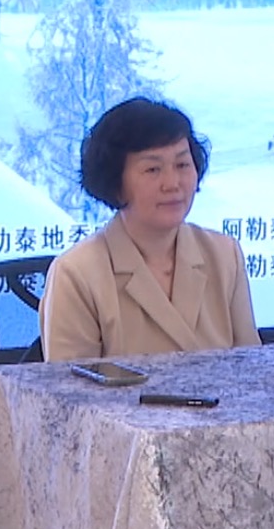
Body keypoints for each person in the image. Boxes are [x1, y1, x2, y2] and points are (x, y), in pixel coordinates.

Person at [40, 97, 260, 362]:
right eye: (153, 169)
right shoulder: (76, 273)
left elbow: (251, 369)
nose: (172, 183)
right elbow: (68, 385)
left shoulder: (224, 254)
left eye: (182, 165)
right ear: (115, 182)